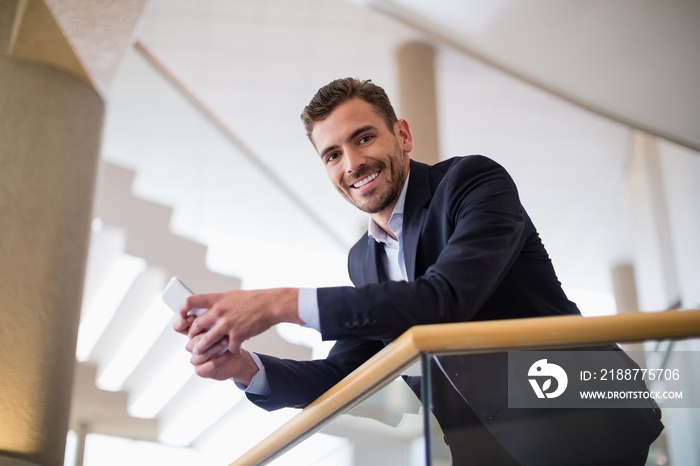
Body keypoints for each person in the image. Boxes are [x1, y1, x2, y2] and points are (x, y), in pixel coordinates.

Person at [174, 78, 663, 465]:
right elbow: (343, 373)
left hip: (584, 415)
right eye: (332, 154)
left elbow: (444, 300)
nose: (353, 162)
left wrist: (280, 304)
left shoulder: (472, 182)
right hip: (488, 451)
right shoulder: (362, 259)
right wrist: (245, 369)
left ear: (402, 135)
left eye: (363, 137)